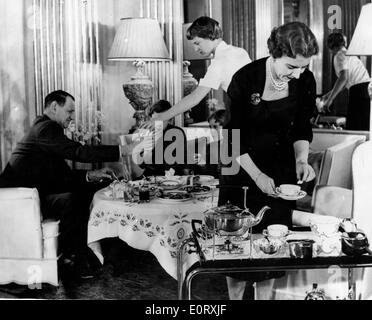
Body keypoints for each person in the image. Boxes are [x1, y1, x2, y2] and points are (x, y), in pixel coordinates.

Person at [221, 22, 319, 299]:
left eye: (303, 67)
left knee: (272, 254)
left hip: (280, 171)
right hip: (241, 169)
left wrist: (302, 159)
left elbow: (302, 128)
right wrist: (258, 176)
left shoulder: (305, 80)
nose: (298, 74)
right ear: (274, 54)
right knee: (237, 256)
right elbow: (231, 139)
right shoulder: (244, 79)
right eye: (291, 67)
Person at [0, 90, 124, 278]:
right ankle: (74, 259)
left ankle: (86, 253)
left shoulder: (43, 130)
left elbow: (62, 176)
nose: (72, 117)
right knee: (73, 200)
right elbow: (79, 152)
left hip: (31, 196)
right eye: (69, 112)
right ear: (54, 107)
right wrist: (121, 150)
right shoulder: (47, 128)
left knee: (88, 190)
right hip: (19, 203)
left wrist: (92, 175)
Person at [148, 16, 251, 123]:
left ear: (210, 36)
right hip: (257, 115)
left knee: (230, 138)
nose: (195, 49)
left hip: (245, 119)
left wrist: (162, 117)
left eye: (197, 43)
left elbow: (195, 97)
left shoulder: (219, 62)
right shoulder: (239, 51)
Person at [319, 32, 371, 130]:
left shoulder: (339, 55)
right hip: (366, 90)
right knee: (363, 125)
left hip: (358, 92)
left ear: (330, 46)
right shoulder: (348, 54)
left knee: (355, 127)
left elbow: (343, 78)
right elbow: (344, 83)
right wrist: (328, 95)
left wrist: (330, 100)